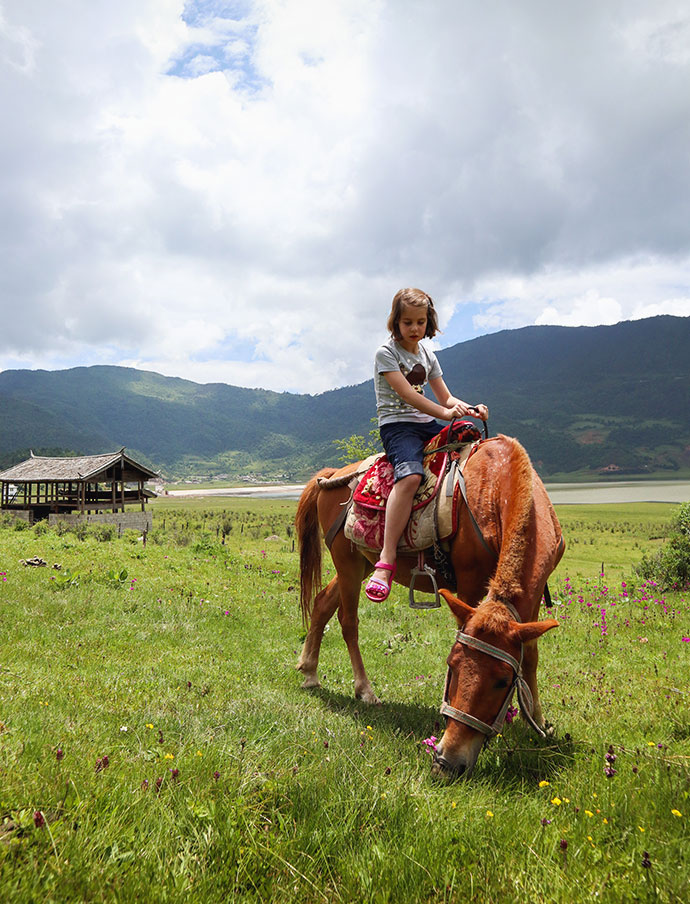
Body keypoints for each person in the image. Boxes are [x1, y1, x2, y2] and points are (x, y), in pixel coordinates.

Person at [365, 287, 488, 602]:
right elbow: (409, 396)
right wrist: (446, 414)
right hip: (398, 427)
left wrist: (470, 409)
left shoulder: (428, 355)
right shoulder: (386, 353)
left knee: (469, 434)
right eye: (407, 322)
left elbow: (446, 398)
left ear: (428, 322)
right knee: (410, 478)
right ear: (396, 322)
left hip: (426, 423)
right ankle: (387, 559)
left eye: (420, 322)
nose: (414, 328)